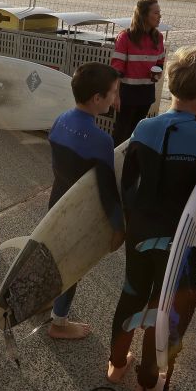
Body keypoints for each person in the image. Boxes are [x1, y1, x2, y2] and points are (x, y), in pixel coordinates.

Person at [107, 46, 196, 391]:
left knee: (132, 294)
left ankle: (116, 365)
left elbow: (127, 183)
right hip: (177, 246)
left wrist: (128, 224)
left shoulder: (144, 127)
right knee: (165, 310)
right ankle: (147, 384)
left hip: (139, 234)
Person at [46, 63, 124, 339]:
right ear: (97, 99)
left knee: (53, 255)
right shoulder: (100, 140)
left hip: (55, 203)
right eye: (113, 93)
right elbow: (107, 191)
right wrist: (118, 227)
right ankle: (59, 322)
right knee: (72, 266)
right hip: (79, 215)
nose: (116, 99)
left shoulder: (59, 120)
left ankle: (46, 302)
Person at [111, 0, 165, 145]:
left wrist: (157, 74)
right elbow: (117, 69)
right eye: (156, 12)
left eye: (160, 12)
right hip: (127, 93)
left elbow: (160, 62)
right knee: (121, 132)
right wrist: (115, 95)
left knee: (136, 133)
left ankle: (129, 164)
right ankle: (113, 163)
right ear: (144, 15)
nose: (160, 16)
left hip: (146, 92)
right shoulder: (125, 37)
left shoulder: (158, 38)